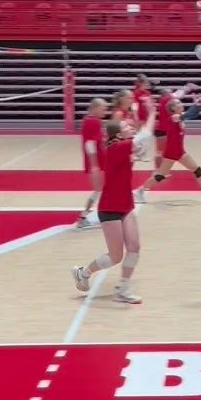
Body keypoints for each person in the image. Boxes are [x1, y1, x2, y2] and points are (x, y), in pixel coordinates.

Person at [72, 99, 156, 304]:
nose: (130, 126)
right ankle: (84, 272)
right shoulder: (117, 148)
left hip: (126, 205)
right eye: (126, 126)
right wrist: (153, 112)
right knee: (115, 256)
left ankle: (123, 289)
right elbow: (144, 135)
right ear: (118, 134)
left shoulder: (123, 147)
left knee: (134, 247)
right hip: (109, 208)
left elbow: (140, 145)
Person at [134, 94, 201, 204]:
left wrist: (200, 105)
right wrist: (196, 104)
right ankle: (140, 191)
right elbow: (190, 113)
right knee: (160, 176)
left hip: (180, 152)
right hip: (171, 153)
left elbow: (193, 115)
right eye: (178, 103)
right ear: (173, 108)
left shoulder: (181, 117)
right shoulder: (174, 117)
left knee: (197, 170)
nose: (181, 104)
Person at [77, 97, 108, 229]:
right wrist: (94, 165)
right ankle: (83, 217)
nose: (105, 111)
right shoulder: (93, 122)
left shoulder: (90, 120)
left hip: (98, 161)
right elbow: (90, 144)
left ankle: (88, 216)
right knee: (99, 190)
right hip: (97, 163)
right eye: (103, 109)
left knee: (101, 190)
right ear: (95, 108)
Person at [154, 82, 197, 170]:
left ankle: (158, 170)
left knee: (159, 152)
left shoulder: (162, 101)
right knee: (168, 152)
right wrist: (188, 87)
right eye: (169, 91)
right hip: (166, 129)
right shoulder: (168, 99)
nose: (171, 91)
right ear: (166, 93)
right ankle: (161, 171)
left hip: (159, 128)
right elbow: (178, 94)